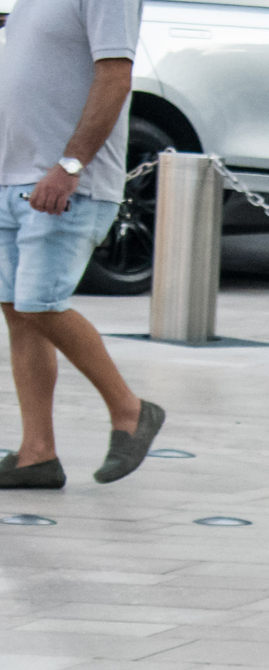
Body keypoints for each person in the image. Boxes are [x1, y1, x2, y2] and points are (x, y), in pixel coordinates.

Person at [0, 0, 165, 490]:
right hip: (12, 176)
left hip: (66, 182)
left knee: (41, 305)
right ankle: (37, 454)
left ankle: (131, 411)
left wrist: (70, 165)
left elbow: (115, 76)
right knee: (16, 308)